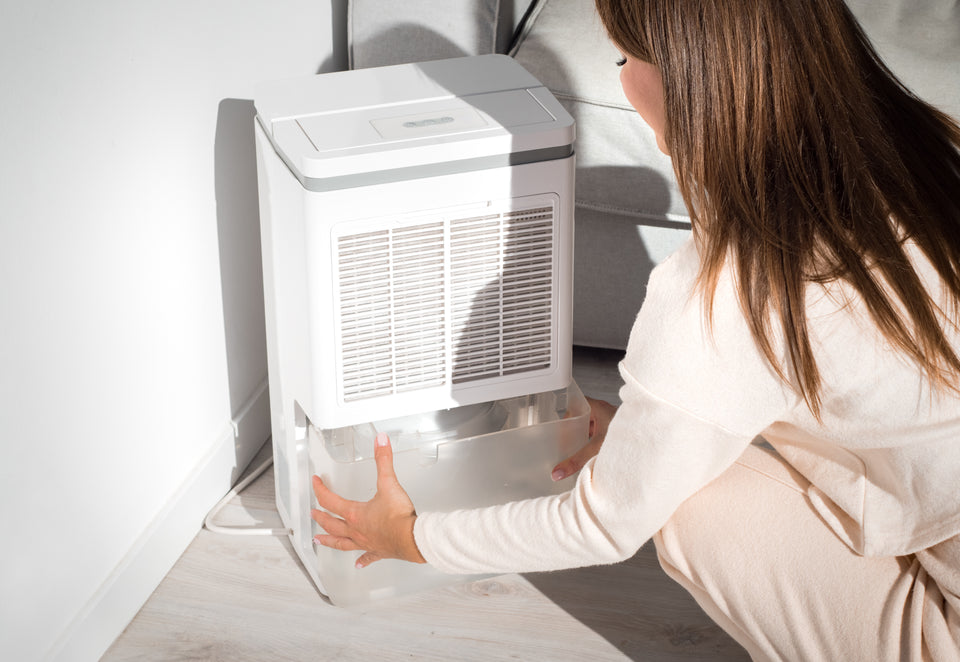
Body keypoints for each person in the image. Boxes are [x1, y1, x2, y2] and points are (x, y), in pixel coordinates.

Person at [311, 0, 960, 658]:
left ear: (688, 78)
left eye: (625, 59)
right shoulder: (933, 144)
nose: (622, 77)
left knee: (688, 506)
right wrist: (641, 430)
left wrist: (412, 537)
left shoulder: (729, 291)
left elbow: (603, 523)